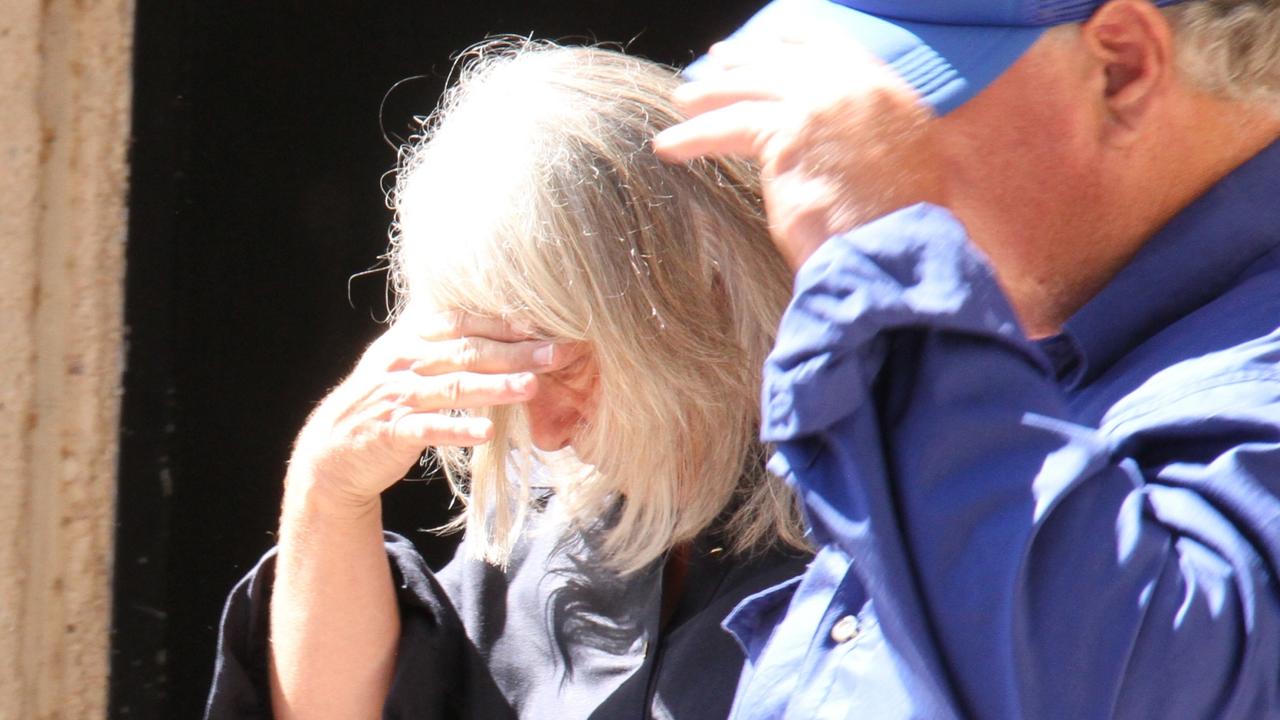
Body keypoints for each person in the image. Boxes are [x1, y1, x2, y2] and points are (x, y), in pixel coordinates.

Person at [653, 0, 1280, 717]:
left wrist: (885, 258)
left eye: (879, 112)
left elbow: (1129, 684)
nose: (805, 151)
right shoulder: (1035, 323)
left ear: (1122, 65)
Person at [204, 41, 811, 720]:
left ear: (705, 291)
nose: (544, 431)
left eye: (563, 361)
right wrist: (330, 487)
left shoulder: (874, 510)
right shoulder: (544, 525)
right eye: (497, 360)